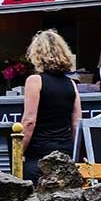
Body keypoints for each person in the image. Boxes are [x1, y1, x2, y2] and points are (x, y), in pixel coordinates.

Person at [21, 30, 81, 181]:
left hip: (39, 154)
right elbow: (76, 124)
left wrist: (18, 151)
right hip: (64, 153)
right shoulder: (72, 84)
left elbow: (29, 121)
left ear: (36, 54)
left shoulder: (34, 81)